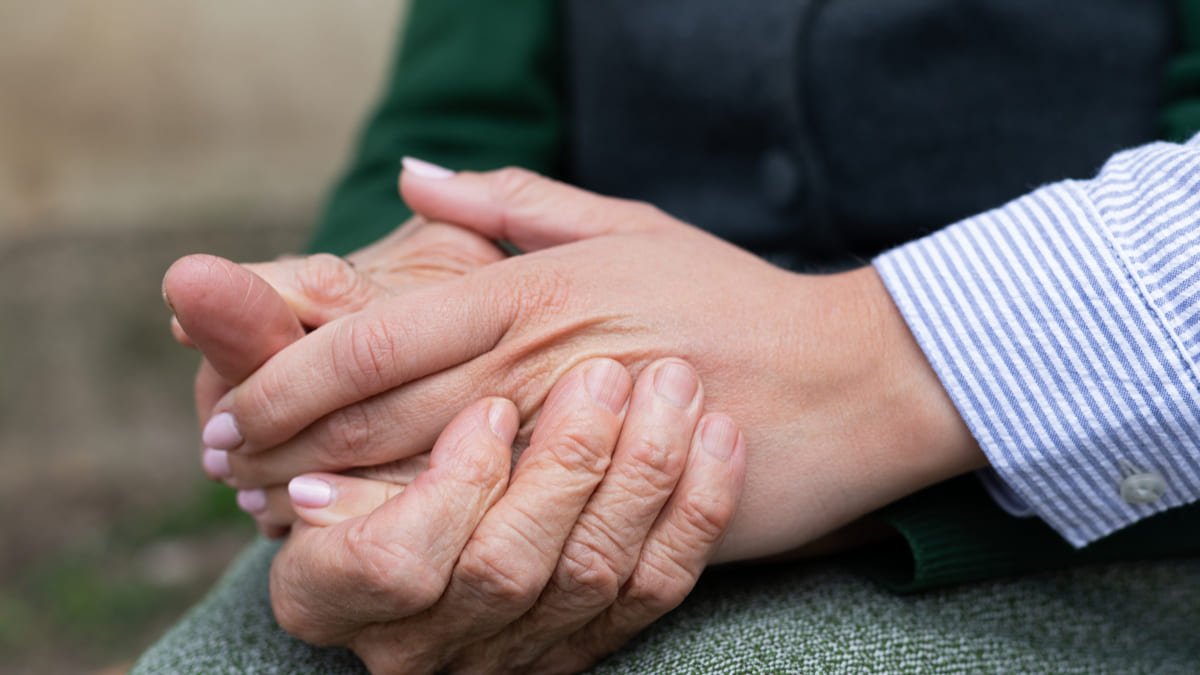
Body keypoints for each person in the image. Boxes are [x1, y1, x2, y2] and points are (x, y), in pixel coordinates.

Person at [137, 0, 1200, 671]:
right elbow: (447, 142)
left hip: (1085, 512)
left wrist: (873, 387)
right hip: (542, 436)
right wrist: (381, 318)